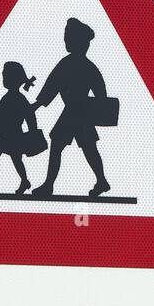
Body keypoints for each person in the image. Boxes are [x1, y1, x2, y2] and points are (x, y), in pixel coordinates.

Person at [32, 17, 111, 198]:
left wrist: (37, 104)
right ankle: (101, 180)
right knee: (88, 148)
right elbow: (53, 86)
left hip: (76, 113)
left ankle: (49, 185)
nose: (65, 41)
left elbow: (52, 85)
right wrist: (37, 104)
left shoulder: (71, 64)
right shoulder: (87, 66)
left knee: (64, 146)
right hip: (81, 114)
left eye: (68, 38)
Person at [0, 62, 42, 195]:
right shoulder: (12, 97)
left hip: (10, 134)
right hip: (3, 134)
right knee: (1, 157)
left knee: (15, 159)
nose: (4, 79)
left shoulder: (15, 98)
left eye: (6, 76)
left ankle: (20, 181)